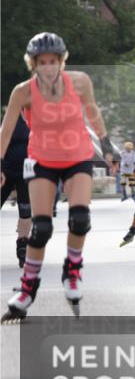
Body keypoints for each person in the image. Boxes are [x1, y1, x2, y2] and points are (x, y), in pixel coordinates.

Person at [0, 32, 115, 321]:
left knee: (80, 219)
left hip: (78, 157)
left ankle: (72, 272)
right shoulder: (23, 92)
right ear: (33, 64)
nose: (48, 67)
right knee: (41, 228)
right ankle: (28, 289)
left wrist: (106, 145)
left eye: (53, 61)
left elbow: (93, 112)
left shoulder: (80, 82)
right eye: (42, 62)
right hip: (42, 160)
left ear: (62, 61)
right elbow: (6, 130)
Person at [0, 114, 32, 268]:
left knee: (25, 210)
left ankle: (23, 245)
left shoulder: (36, 119)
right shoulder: (10, 118)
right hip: (6, 169)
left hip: (27, 170)